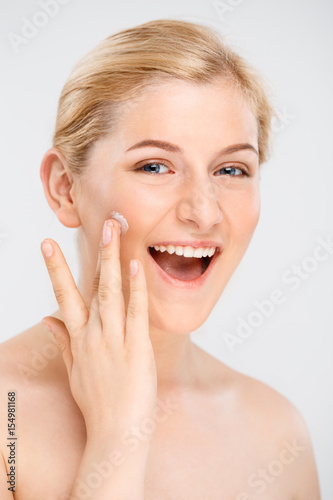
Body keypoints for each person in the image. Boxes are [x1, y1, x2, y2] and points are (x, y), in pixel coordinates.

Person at [0, 18, 321, 500]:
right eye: (155, 166)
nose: (205, 211)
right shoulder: (7, 416)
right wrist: (118, 439)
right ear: (66, 188)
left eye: (232, 169)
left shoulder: (279, 433)